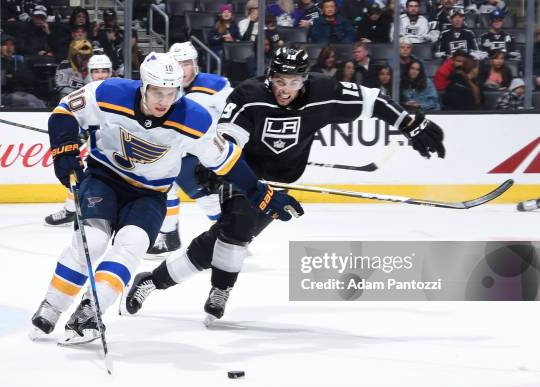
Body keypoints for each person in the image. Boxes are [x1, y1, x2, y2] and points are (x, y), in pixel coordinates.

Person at [124, 47, 446, 324]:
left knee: (216, 244)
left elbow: (374, 100)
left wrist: (411, 122)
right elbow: (229, 136)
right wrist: (218, 167)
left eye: (293, 82)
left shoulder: (324, 91)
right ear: (270, 77)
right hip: (243, 173)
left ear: (304, 79)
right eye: (279, 81)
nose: (285, 89)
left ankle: (152, 281)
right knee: (237, 226)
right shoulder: (249, 96)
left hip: (280, 185)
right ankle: (222, 289)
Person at [30, 52, 300, 343]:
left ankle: (90, 313)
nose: (163, 100)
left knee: (130, 246)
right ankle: (52, 306)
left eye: (171, 93)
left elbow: (227, 162)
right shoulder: (109, 92)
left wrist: (261, 193)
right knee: (92, 242)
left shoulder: (194, 118)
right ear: (143, 86)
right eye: (157, 92)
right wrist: (64, 151)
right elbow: (65, 112)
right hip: (104, 179)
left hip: (150, 194)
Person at [147, 42, 233, 255]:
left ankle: (231, 236)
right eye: (177, 64)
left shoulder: (216, 85)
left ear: (195, 64)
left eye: (186, 64)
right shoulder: (167, 87)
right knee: (165, 188)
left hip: (204, 154)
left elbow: (234, 114)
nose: (182, 69)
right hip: (178, 152)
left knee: (207, 199)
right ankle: (169, 236)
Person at [45, 53, 114, 226]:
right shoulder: (83, 96)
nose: (101, 75)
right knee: (78, 174)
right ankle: (71, 210)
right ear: (89, 73)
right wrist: (73, 136)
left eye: (105, 71)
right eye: (96, 71)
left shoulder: (118, 93)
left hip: (118, 151)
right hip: (97, 152)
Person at [0, 34, 46, 108]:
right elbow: (2, 82)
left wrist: (13, 76)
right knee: (27, 102)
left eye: (11, 45)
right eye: (5, 45)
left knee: (40, 103)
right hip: (3, 94)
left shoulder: (18, 60)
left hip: (20, 92)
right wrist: (15, 76)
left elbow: (29, 78)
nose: (9, 47)